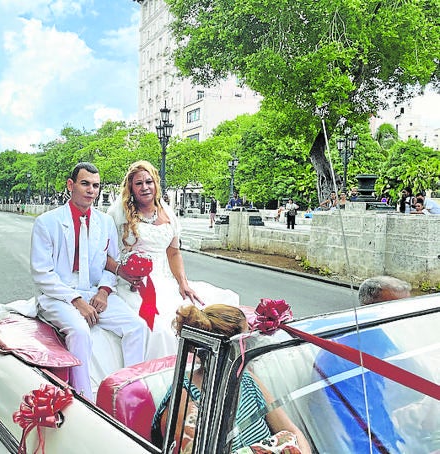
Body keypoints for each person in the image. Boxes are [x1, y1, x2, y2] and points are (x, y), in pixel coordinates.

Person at [31, 162, 147, 401]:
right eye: (85, 184)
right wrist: (75, 300)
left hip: (94, 291)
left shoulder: (104, 222)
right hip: (58, 296)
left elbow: (109, 262)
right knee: (81, 332)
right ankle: (85, 400)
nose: (91, 190)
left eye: (95, 185)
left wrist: (104, 291)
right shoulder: (46, 222)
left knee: (137, 327)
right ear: (70, 185)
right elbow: (42, 273)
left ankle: (131, 394)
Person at [107, 161, 238, 361]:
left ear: (156, 183)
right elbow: (104, 253)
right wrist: (122, 271)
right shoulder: (118, 215)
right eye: (139, 183)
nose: (145, 187)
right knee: (160, 329)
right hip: (136, 285)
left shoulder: (168, 213)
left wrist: (183, 283)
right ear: (131, 188)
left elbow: (174, 253)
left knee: (210, 311)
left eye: (149, 182)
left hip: (165, 281)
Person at [151, 304, 311, 453]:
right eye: (247, 341)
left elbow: (292, 430)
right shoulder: (183, 401)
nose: (252, 346)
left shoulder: (248, 380)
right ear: (225, 350)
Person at [312, 276, 413, 453]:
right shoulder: (340, 358)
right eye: (396, 310)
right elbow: (357, 427)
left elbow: (416, 384)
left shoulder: (387, 339)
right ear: (369, 309)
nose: (405, 318)